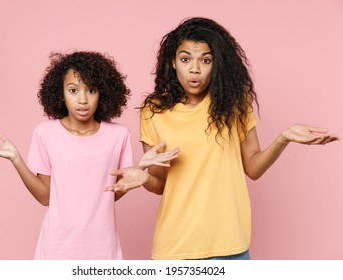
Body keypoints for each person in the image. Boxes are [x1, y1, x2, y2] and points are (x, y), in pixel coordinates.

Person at [107, 17, 339, 260]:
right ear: (173, 62)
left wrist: (283, 138)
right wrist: (144, 176)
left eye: (205, 60)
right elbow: (162, 184)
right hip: (176, 245)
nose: (194, 69)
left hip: (230, 245)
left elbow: (253, 167)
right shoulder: (154, 111)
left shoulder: (233, 103)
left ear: (216, 64)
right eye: (185, 59)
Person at [0, 51, 178, 260]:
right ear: (61, 93)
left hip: (102, 246)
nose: (82, 99)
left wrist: (140, 167)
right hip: (57, 247)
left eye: (91, 90)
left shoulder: (118, 135)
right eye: (73, 90)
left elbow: (110, 194)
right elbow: (46, 197)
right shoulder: (45, 133)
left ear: (103, 93)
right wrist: (16, 160)